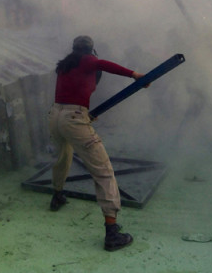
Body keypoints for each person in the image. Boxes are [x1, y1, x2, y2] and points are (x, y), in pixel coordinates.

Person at [48, 35, 144, 251]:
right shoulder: (87, 60)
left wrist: (84, 115)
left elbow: (73, 93)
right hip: (73, 117)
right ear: (90, 50)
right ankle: (111, 233)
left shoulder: (66, 64)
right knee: (104, 171)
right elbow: (102, 64)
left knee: (63, 156)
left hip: (56, 115)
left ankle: (57, 196)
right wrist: (134, 74)